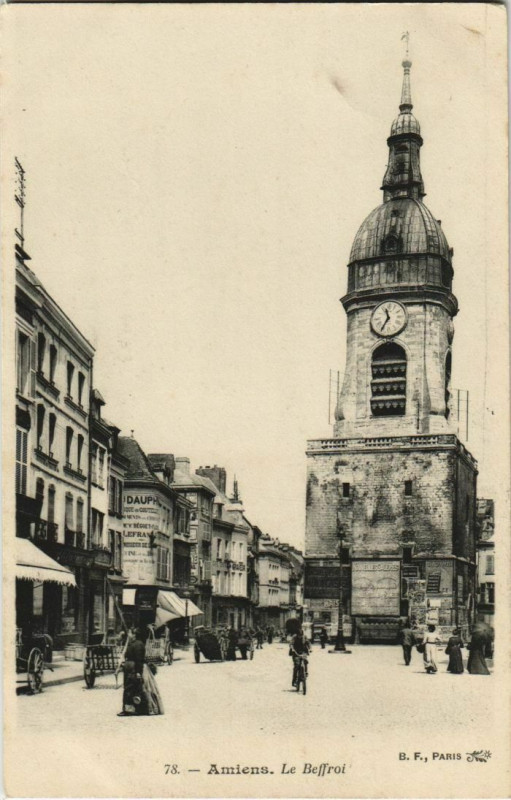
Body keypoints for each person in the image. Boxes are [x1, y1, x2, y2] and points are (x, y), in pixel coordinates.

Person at [119, 628, 164, 716]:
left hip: (134, 669)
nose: (129, 635)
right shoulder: (133, 643)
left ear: (134, 635)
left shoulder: (138, 645)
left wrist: (138, 672)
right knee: (131, 688)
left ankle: (130, 709)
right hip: (130, 668)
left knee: (130, 688)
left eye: (130, 633)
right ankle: (133, 708)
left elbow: (139, 660)